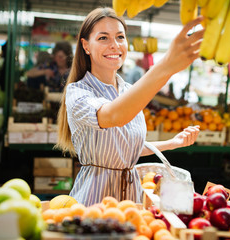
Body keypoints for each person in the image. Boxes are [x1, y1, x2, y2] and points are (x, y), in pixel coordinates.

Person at [55, 7, 204, 206]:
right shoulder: (78, 92)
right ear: (86, 45)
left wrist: (172, 143)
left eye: (120, 37)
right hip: (95, 198)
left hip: (132, 198)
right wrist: (165, 66)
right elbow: (113, 116)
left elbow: (125, 147)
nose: (114, 45)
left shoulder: (129, 90)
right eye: (103, 38)